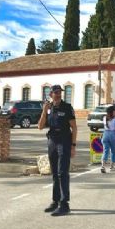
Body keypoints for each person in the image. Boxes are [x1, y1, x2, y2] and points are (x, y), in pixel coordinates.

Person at [38, 84, 77, 217]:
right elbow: (40, 126)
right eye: (56, 92)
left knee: (62, 172)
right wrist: (44, 111)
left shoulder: (67, 107)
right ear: (51, 95)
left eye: (60, 92)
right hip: (52, 141)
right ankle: (55, 201)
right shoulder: (49, 108)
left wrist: (73, 145)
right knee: (54, 172)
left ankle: (64, 204)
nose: (59, 94)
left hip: (64, 140)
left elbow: (74, 127)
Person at [100, 105, 115, 173]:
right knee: (113, 151)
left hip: (105, 134)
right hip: (112, 135)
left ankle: (103, 165)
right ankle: (112, 166)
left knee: (105, 150)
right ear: (112, 112)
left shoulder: (104, 117)